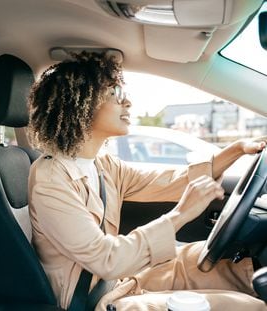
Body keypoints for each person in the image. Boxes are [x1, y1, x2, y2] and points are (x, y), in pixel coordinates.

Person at [27, 52, 267, 311]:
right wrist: (180, 214)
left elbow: (171, 181)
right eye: (115, 94)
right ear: (79, 105)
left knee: (226, 263)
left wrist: (236, 150)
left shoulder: (102, 164)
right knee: (248, 307)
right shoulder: (50, 181)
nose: (127, 102)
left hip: (118, 280)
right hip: (95, 300)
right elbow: (106, 258)